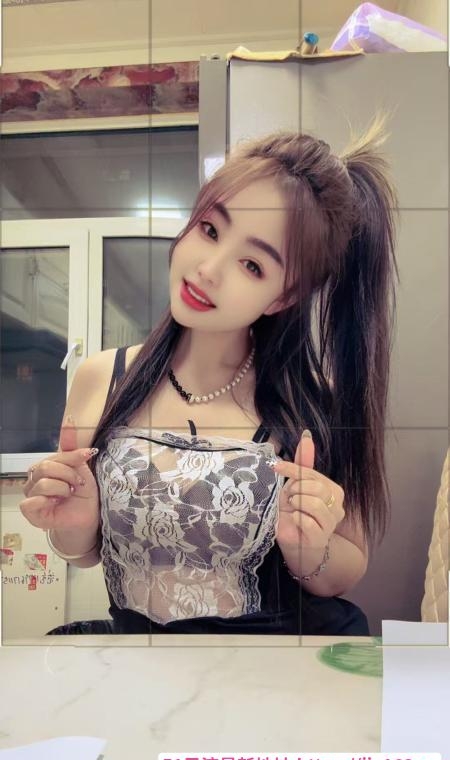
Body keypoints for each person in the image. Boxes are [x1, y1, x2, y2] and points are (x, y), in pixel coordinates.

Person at [20, 115, 398, 635]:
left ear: (283, 296)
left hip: (270, 663)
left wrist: (310, 549)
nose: (208, 269)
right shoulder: (101, 377)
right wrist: (73, 526)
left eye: (253, 265)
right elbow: (84, 552)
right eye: (210, 229)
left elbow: (346, 569)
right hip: (143, 660)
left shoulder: (313, 401)